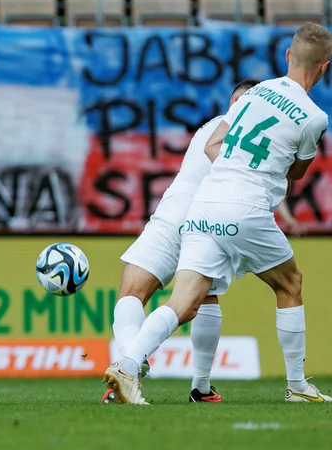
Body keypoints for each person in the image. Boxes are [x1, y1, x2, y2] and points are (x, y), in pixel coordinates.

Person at [104, 23, 332, 406]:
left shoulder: (253, 93)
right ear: (324, 68)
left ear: (288, 56)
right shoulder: (315, 117)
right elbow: (296, 173)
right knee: (289, 285)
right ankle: (296, 385)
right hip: (246, 207)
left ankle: (127, 366)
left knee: (182, 303)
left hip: (204, 204)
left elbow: (214, 143)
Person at [101, 78, 293, 405]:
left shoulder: (210, 126)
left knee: (131, 293)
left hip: (173, 208)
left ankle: (130, 364)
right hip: (209, 217)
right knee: (202, 299)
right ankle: (164, 375)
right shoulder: (260, 138)